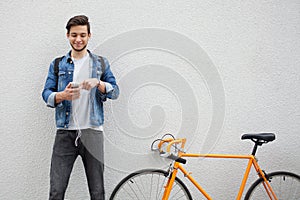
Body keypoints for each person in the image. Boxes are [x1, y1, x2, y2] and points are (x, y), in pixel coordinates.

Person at [42, 15, 119, 200]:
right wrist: (62, 96)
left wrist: (98, 83)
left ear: (89, 35)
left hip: (92, 133)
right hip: (65, 134)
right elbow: (46, 93)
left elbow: (115, 91)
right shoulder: (57, 64)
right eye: (74, 35)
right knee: (56, 191)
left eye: (82, 35)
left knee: (97, 192)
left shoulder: (100, 63)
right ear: (68, 35)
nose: (78, 39)